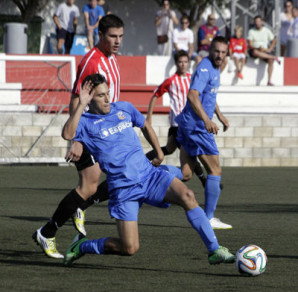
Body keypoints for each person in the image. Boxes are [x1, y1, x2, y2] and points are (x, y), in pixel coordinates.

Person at [61, 73, 236, 267]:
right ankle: (82, 246)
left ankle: (214, 250)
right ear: (90, 99)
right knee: (129, 248)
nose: (107, 98)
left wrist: (160, 153)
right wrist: (80, 104)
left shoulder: (124, 108)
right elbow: (67, 134)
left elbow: (145, 126)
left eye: (108, 93)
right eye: (101, 95)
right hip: (123, 190)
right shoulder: (85, 122)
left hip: (149, 176)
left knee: (187, 195)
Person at [32, 14, 124, 259]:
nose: (117, 41)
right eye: (113, 36)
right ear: (101, 35)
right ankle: (48, 232)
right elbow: (77, 99)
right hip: (90, 131)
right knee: (92, 184)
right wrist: (78, 140)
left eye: (120, 36)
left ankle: (68, 217)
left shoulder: (112, 58)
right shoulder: (92, 62)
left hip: (106, 130)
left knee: (112, 179)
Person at [175, 36, 232, 230]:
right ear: (210, 50)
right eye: (217, 51)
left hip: (191, 125)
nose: (220, 55)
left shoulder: (215, 69)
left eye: (223, 52)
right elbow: (193, 95)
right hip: (197, 127)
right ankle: (208, 218)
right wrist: (207, 121)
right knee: (215, 170)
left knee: (186, 173)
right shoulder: (205, 68)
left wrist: (220, 116)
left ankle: (145, 176)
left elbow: (210, 96)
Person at [146, 50, 207, 187]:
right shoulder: (171, 81)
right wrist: (149, 117)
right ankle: (204, 181)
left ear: (188, 63)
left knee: (169, 149)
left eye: (185, 62)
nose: (183, 65)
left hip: (189, 123)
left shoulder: (192, 79)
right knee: (189, 152)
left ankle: (144, 160)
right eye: (180, 62)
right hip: (177, 124)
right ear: (176, 63)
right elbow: (155, 95)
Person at [247, 15, 281, 86]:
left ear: (261, 22)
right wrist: (257, 48)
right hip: (255, 50)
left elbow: (273, 40)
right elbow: (250, 45)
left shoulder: (266, 30)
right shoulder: (251, 31)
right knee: (255, 52)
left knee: (270, 61)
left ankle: (269, 80)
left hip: (264, 51)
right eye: (256, 21)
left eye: (259, 21)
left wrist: (270, 48)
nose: (257, 23)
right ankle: (273, 57)